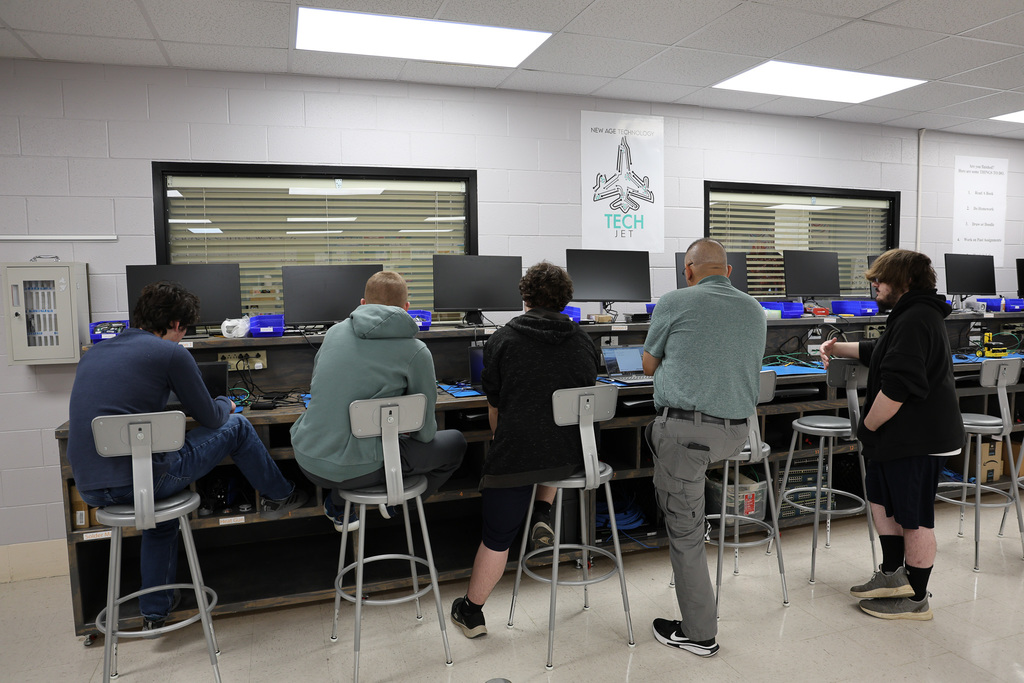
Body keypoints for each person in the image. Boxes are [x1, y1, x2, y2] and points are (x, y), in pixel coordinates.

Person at [68, 281, 309, 632]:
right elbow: (212, 418)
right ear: (177, 325)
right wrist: (227, 402)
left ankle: (155, 610)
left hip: (90, 487)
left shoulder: (94, 353)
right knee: (238, 426)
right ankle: (280, 494)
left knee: (160, 516)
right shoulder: (171, 353)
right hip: (145, 479)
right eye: (185, 330)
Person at [450, 261, 599, 639]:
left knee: (497, 537)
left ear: (525, 296)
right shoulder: (584, 340)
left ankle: (472, 612)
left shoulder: (502, 340)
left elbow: (495, 407)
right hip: (572, 459)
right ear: (566, 299)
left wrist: (503, 444)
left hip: (518, 460)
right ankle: (543, 511)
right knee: (550, 441)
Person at [820, 248, 963, 621]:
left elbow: (898, 387)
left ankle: (917, 598)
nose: (876, 287)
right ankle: (892, 576)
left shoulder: (916, 318)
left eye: (880, 280)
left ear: (905, 281)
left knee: (914, 518)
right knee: (883, 503)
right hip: (897, 437)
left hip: (918, 439)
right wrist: (836, 349)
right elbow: (880, 352)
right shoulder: (909, 314)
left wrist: (866, 427)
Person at [642, 238, 766, 657]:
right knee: (688, 501)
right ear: (728, 272)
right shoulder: (753, 308)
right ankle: (695, 510)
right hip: (737, 434)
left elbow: (647, 364)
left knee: (686, 534)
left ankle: (699, 634)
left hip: (689, 436)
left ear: (689, 270)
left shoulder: (675, 301)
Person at [291, 270, 466, 530]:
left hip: (309, 458)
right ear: (406, 308)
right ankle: (397, 505)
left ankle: (338, 505)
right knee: (456, 444)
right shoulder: (416, 350)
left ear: (363, 304)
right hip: (361, 469)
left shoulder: (333, 334)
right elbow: (426, 432)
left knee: (364, 445)